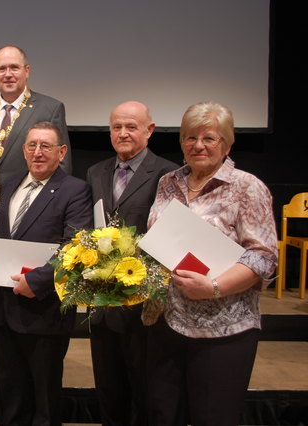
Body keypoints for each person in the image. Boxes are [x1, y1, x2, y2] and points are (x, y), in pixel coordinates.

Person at [143, 101, 278, 426]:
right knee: (164, 415)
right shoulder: (168, 182)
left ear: (227, 144)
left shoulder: (248, 188)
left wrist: (214, 287)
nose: (198, 145)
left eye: (209, 138)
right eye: (190, 138)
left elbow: (263, 258)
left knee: (212, 418)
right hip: (167, 322)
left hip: (223, 330)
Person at [0, 44, 72, 391]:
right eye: (1, 69)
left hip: (29, 211)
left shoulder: (50, 106)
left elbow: (61, 163)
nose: (8, 74)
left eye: (14, 67)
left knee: (19, 288)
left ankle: (25, 367)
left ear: (27, 71)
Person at [0, 121, 92, 425]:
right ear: (23, 150)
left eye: (46, 146)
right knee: (9, 393)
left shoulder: (75, 189)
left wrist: (36, 281)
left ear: (61, 152)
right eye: (32, 145)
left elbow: (76, 246)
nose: (38, 152)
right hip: (4, 307)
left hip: (45, 310)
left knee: (44, 398)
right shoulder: (7, 183)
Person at [85, 101, 178, 426]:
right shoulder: (96, 172)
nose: (123, 133)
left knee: (144, 394)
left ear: (149, 130)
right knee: (109, 393)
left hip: (142, 305)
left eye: (131, 127)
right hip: (101, 304)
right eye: (116, 127)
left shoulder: (167, 173)